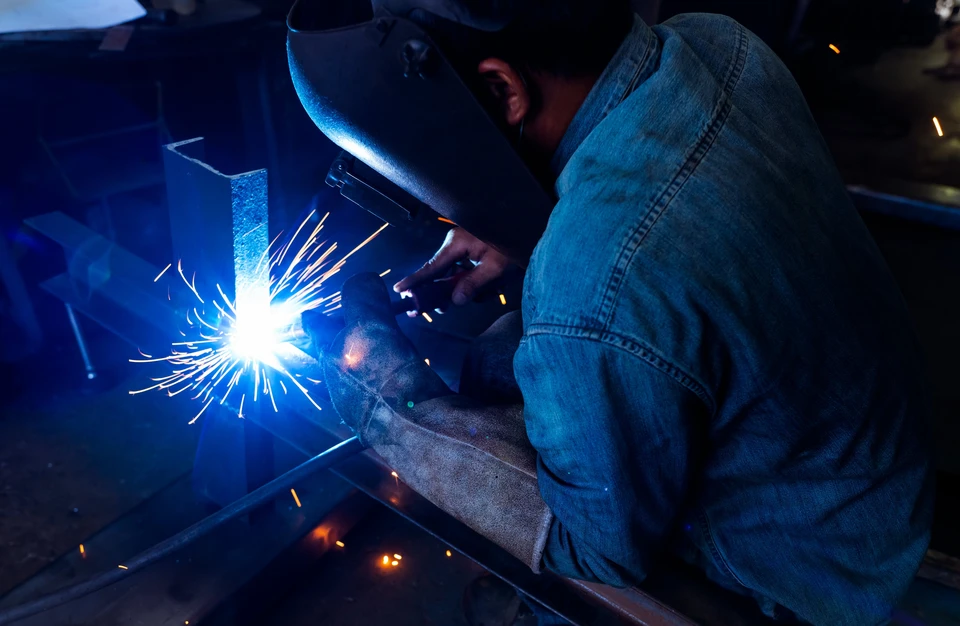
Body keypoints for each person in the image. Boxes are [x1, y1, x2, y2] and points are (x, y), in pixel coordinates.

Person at [295, 1, 934, 624]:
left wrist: (381, 391)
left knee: (566, 516)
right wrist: (517, 219)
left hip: (793, 587)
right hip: (871, 498)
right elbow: (658, 205)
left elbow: (592, 543)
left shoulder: (595, 281)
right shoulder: (719, 44)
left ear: (500, 90)